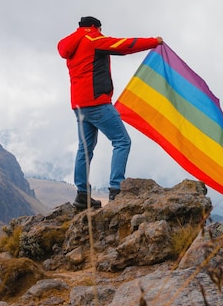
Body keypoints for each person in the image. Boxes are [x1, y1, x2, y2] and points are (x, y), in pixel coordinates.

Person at [58, 16, 162, 209]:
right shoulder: (93, 39)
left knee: (85, 149)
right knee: (122, 141)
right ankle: (116, 189)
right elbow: (123, 45)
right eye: (100, 29)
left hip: (79, 105)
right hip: (97, 102)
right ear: (95, 27)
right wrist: (153, 42)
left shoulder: (71, 44)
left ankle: (82, 195)